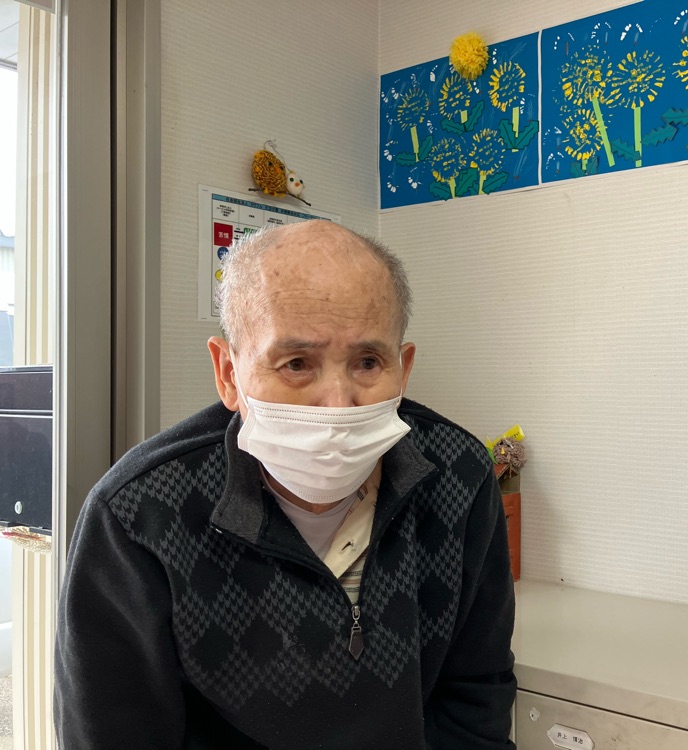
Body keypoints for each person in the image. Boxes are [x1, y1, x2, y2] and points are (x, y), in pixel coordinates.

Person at [54, 220, 517, 748]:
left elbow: (476, 694)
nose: (337, 403)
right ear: (228, 373)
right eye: (296, 364)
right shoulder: (138, 514)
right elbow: (112, 732)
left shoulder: (459, 475)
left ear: (403, 368)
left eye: (368, 362)